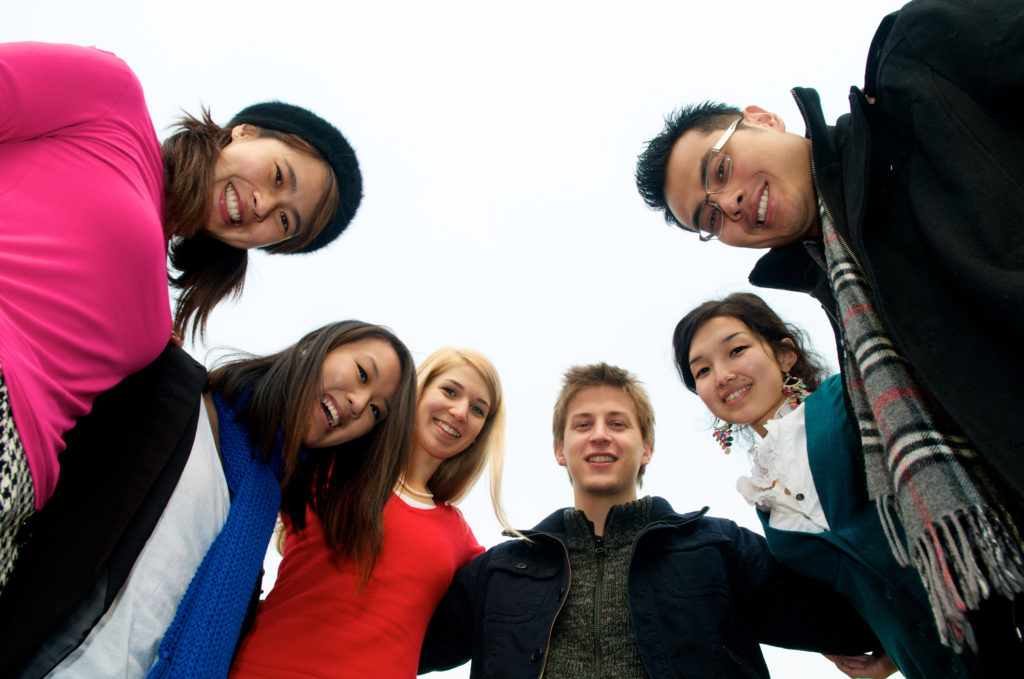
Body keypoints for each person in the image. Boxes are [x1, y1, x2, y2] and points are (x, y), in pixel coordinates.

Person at [634, 0, 1024, 650]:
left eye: (720, 169)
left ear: (761, 118)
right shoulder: (852, 315)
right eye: (708, 217)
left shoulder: (916, 68)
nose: (728, 203)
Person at [0, 41, 363, 591]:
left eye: (284, 223)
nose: (265, 206)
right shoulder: (110, 99)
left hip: (19, 491)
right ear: (244, 132)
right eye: (279, 176)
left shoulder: (155, 332)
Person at [419, 362, 878, 678]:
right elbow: (390, 641)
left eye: (618, 423)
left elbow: (860, 614)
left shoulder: (721, 549)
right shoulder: (496, 573)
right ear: (560, 450)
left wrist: (899, 643)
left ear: (647, 448)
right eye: (582, 424)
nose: (600, 434)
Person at [14, 321, 415, 679]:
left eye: (376, 412)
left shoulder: (257, 518)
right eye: (362, 374)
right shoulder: (173, 394)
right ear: (313, 346)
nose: (360, 404)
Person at [672, 292, 1012, 679]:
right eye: (702, 371)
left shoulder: (852, 399)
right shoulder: (764, 501)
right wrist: (881, 645)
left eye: (736, 350)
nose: (721, 375)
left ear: (785, 355)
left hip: (1002, 618)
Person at [231, 347, 508, 678]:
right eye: (450, 391)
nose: (461, 411)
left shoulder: (459, 536)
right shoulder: (333, 466)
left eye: (478, 409)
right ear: (417, 393)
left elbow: (511, 606)